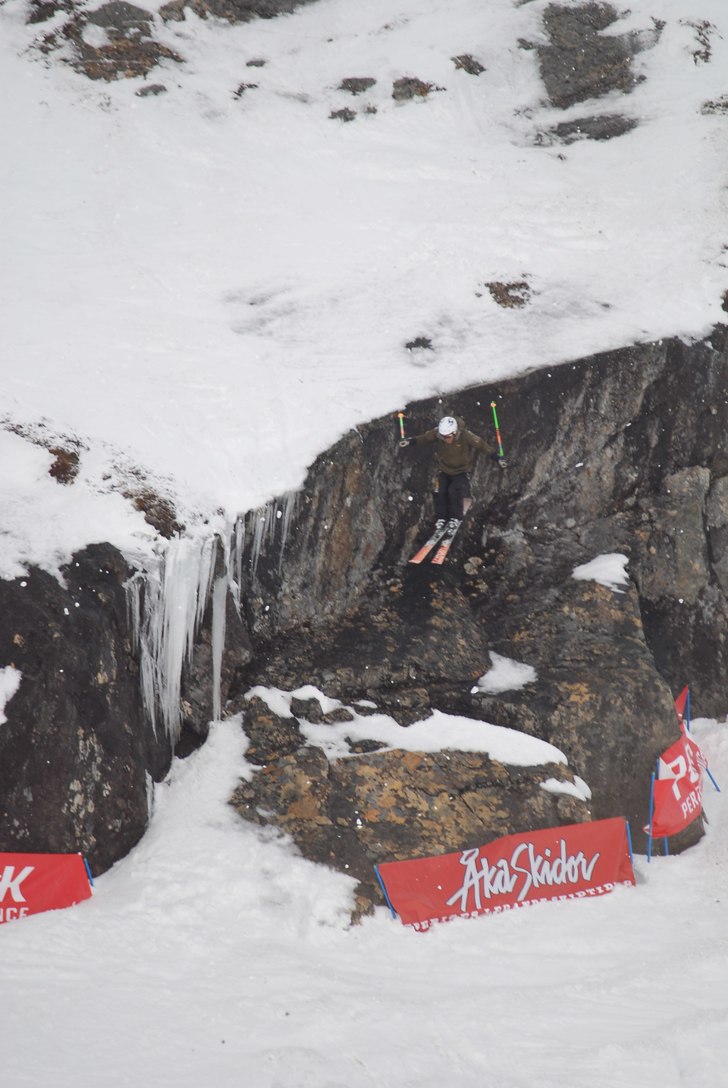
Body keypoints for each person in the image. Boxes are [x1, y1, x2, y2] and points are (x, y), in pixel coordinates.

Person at [399, 414, 505, 521]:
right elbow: (425, 438)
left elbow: (482, 445)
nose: (445, 439)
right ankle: (441, 518)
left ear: (455, 433)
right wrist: (410, 441)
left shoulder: (466, 436)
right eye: (443, 437)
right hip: (445, 470)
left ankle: (456, 517)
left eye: (448, 437)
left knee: (454, 491)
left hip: (461, 471)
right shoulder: (438, 434)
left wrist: (497, 457)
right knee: (440, 492)